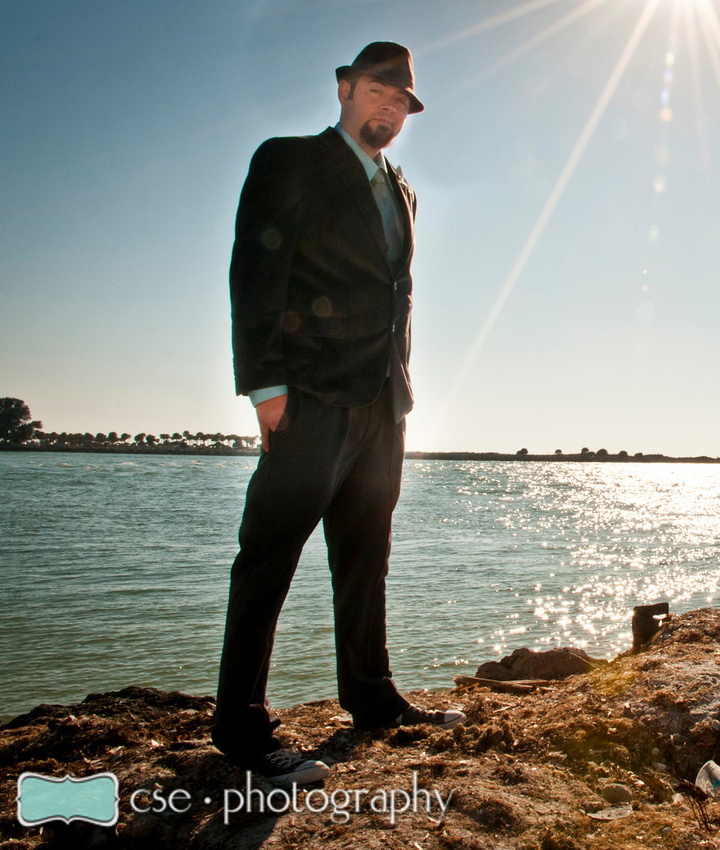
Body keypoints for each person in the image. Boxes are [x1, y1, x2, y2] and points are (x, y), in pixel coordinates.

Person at [213, 41, 464, 785]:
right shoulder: (287, 160)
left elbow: (397, 295)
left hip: (384, 405)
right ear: (345, 88)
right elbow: (256, 270)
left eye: (402, 102)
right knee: (268, 559)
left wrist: (401, 392)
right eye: (379, 91)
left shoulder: (403, 188)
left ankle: (371, 697)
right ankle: (242, 731)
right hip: (309, 397)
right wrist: (265, 387)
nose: (390, 108)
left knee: (365, 559)